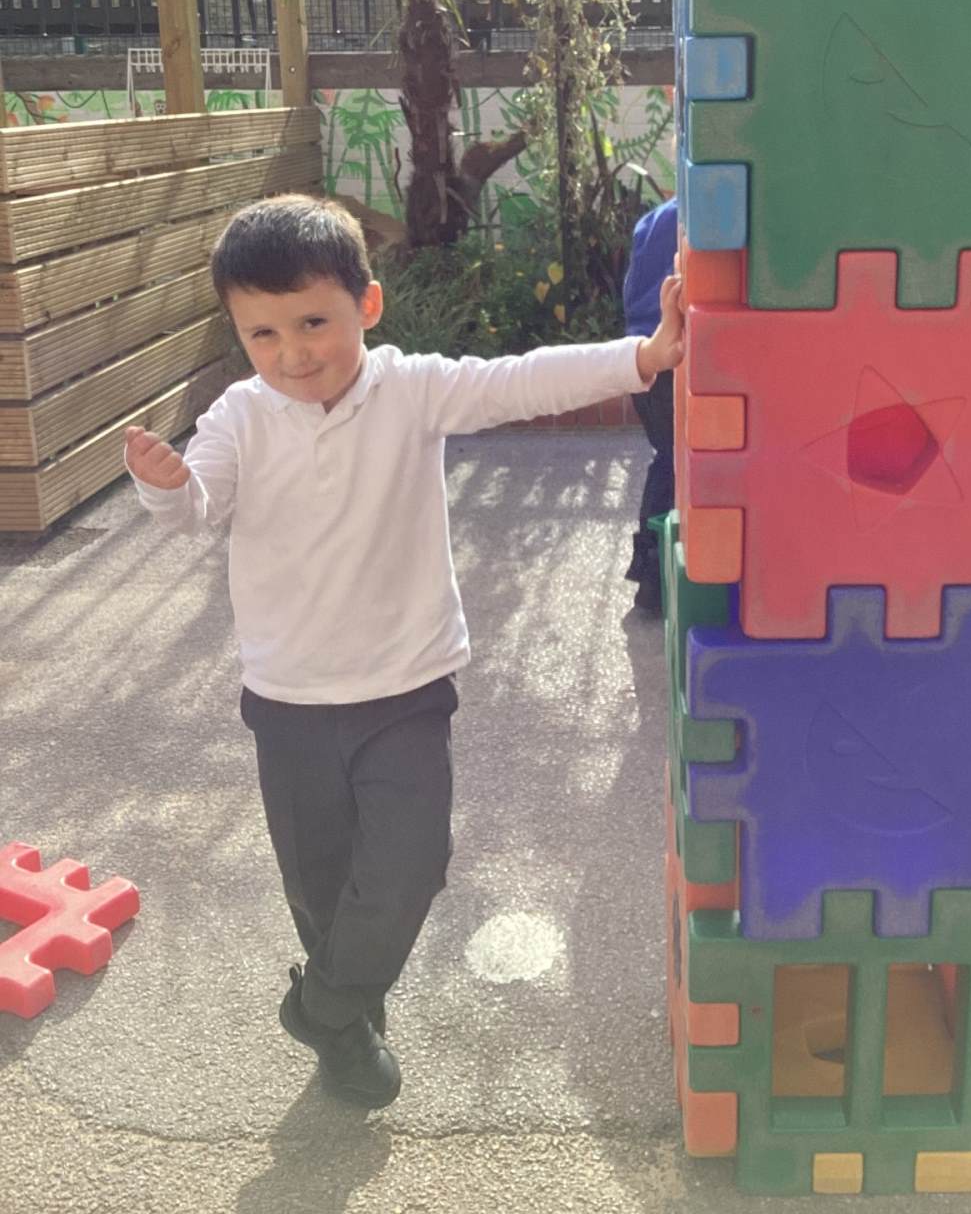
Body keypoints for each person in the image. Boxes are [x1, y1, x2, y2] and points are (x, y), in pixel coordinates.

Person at [124, 193, 684, 1110]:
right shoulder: (238, 417)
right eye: (263, 334)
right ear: (238, 332)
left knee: (410, 863)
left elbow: (519, 381)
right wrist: (165, 486)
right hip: (288, 702)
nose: (293, 353)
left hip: (405, 689)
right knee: (321, 888)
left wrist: (643, 356)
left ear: (367, 306)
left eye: (314, 322)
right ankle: (349, 1031)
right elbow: (197, 510)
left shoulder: (410, 390)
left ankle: (321, 1007)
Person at [622, 196, 679, 615]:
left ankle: (649, 569)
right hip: (676, 352)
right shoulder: (701, 215)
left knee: (667, 458)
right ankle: (658, 577)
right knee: (681, 462)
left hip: (640, 350)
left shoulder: (651, 221)